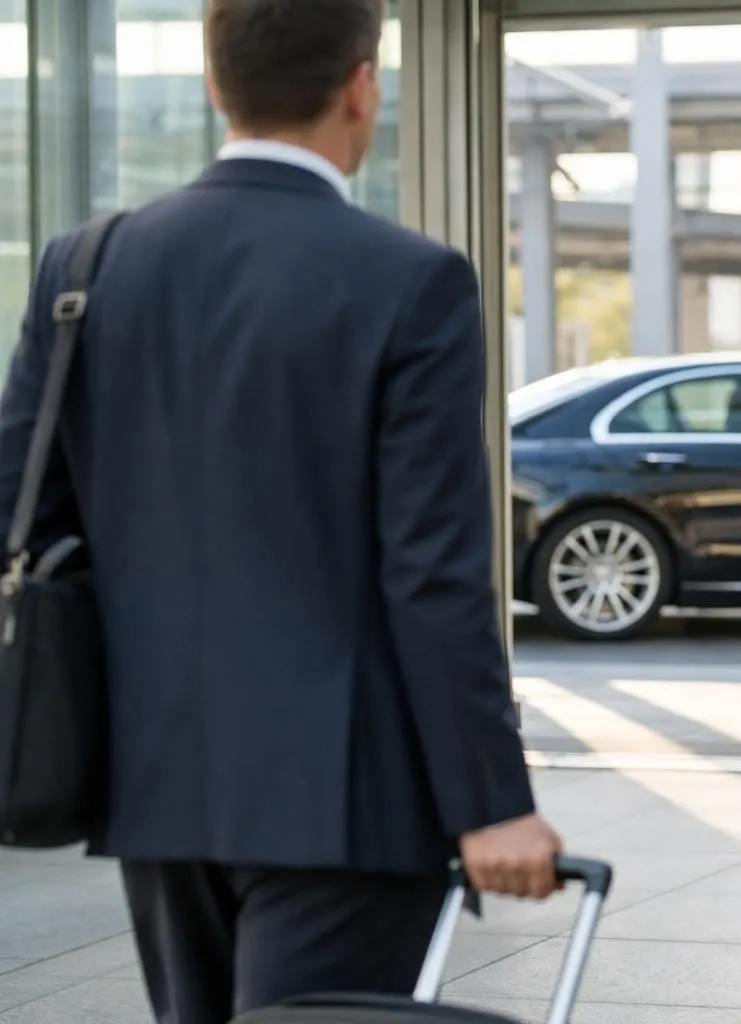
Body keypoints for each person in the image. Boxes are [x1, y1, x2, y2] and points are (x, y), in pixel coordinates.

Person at [0, 1, 563, 1020]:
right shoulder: (410, 280)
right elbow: (432, 570)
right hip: (347, 795)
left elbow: (24, 518)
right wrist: (493, 804)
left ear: (217, 86)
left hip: (157, 778)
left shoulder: (85, 268)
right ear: (362, 85)